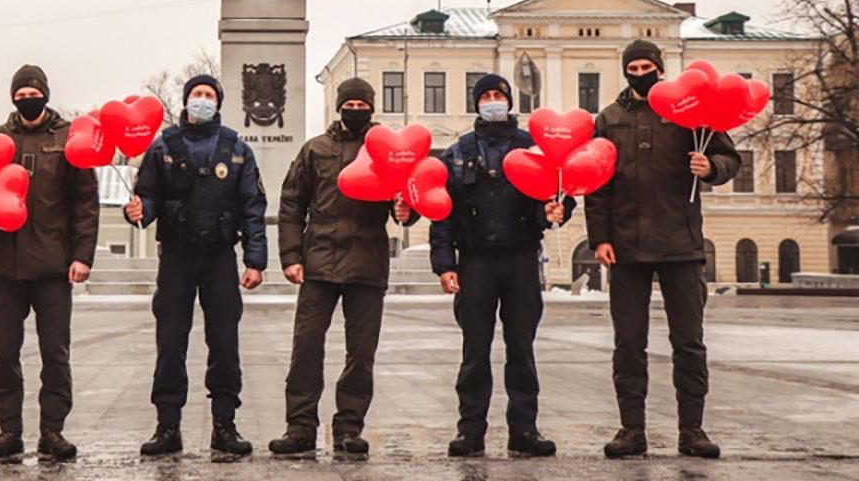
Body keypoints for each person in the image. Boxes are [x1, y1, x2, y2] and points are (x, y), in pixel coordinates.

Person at [585, 40, 741, 460]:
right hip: (627, 249)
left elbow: (729, 157)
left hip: (681, 247)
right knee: (628, 344)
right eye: (632, 66)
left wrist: (712, 168)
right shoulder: (609, 119)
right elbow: (597, 184)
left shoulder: (689, 111)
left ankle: (692, 430)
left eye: (647, 65)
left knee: (689, 343)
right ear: (625, 71)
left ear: (660, 67)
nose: (640, 72)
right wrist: (599, 237)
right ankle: (631, 430)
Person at [269, 77, 415, 456]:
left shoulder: (386, 150)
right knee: (306, 347)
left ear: (371, 107)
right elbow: (291, 205)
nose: (354, 110)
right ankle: (300, 427)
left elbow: (406, 197)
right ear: (339, 106)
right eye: (348, 104)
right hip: (319, 264)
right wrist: (291, 257)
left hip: (367, 263)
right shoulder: (315, 150)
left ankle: (349, 428)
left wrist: (406, 211)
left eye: (361, 104)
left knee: (361, 352)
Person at [429, 73, 574, 458]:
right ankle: (470, 431)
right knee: (475, 351)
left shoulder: (533, 147)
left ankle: (524, 430)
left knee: (521, 350)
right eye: (486, 96)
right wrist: (444, 264)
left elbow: (558, 192)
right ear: (476, 103)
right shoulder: (459, 152)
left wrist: (556, 211)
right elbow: (441, 212)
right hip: (475, 262)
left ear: (510, 102)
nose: (493, 101)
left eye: (499, 95)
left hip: (521, 259)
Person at [125, 74, 267, 456]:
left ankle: (225, 426)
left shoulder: (236, 148)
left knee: (224, 343)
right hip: (176, 257)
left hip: (220, 257)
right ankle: (167, 427)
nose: (201, 100)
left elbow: (253, 207)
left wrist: (255, 260)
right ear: (186, 101)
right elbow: (147, 197)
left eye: (208, 95)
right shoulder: (163, 147)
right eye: (196, 95)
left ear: (218, 103)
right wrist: (139, 210)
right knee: (170, 343)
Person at [0, 65, 100, 463]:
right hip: (6, 268)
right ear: (13, 97)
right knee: (5, 354)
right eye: (21, 92)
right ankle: (9, 431)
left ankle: (53, 431)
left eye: (34, 91)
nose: (28, 97)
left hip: (53, 266)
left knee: (55, 354)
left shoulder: (68, 140)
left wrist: (82, 256)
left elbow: (85, 204)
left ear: (45, 94)